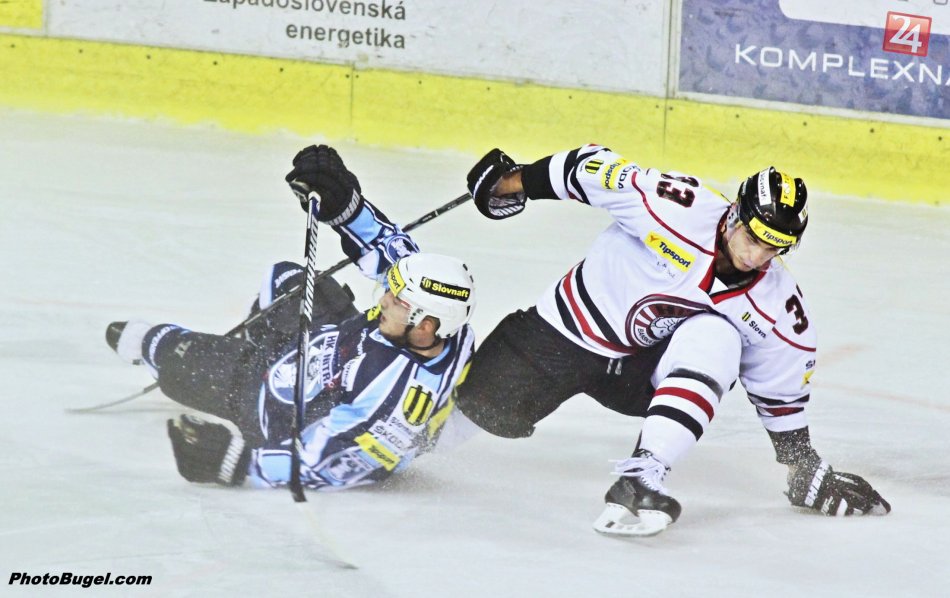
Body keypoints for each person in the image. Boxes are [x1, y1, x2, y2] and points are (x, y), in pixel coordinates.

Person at [457, 144, 890, 536]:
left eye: (773, 249)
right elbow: (590, 169)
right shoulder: (678, 208)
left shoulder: (777, 303)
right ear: (735, 214)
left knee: (720, 336)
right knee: (469, 414)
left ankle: (641, 476)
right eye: (754, 238)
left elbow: (781, 391)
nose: (756, 257)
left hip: (637, 376)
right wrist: (513, 182)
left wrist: (803, 466)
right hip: (560, 334)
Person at [105, 145, 477, 491]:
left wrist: (240, 464)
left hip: (269, 403)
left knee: (163, 346)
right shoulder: (444, 325)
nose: (383, 298)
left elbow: (329, 462)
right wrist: (346, 207)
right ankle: (258, 340)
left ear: (424, 325)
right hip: (329, 344)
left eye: (394, 299)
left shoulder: (389, 402)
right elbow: (390, 251)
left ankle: (181, 354)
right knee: (285, 279)